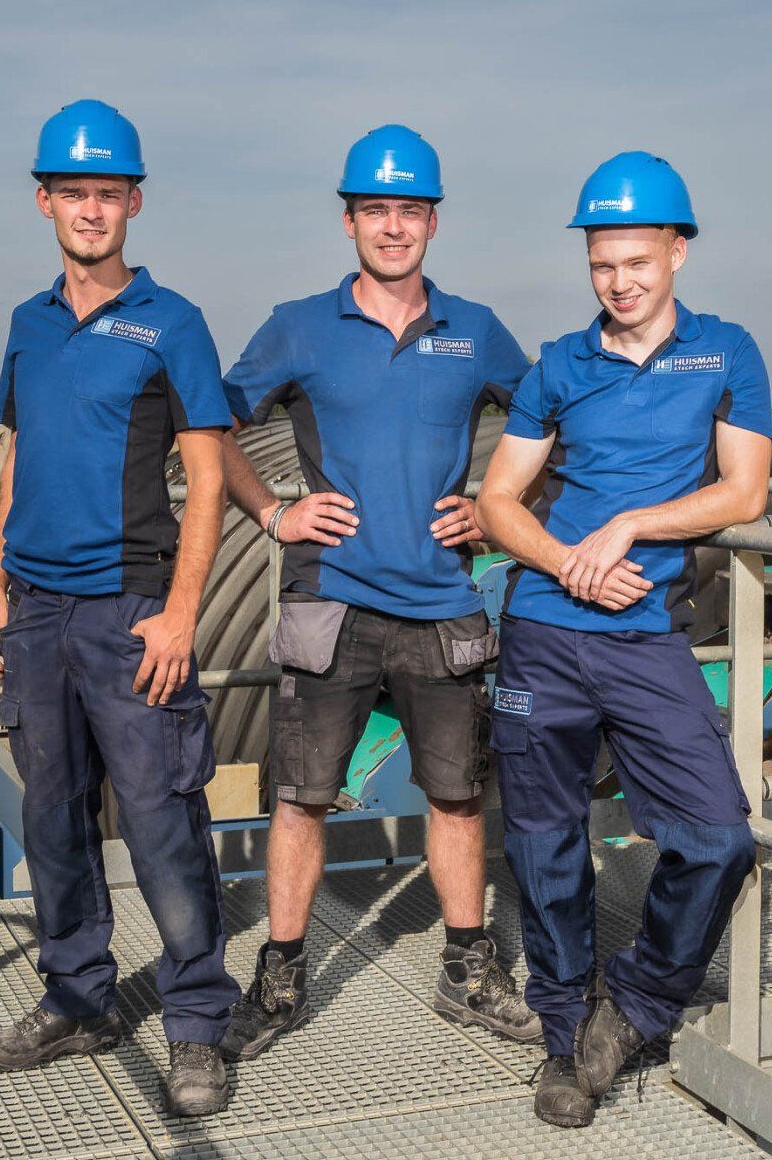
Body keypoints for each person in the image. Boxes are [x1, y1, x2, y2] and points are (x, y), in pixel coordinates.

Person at [216, 125, 540, 1059]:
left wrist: (494, 508)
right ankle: (280, 978)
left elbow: (548, 426)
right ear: (349, 219)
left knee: (456, 796)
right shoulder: (299, 326)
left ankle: (468, 970)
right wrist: (273, 515)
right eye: (374, 211)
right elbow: (213, 424)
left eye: (409, 210)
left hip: (443, 605)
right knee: (302, 797)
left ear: (432, 221)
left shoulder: (477, 331)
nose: (392, 227)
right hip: (332, 604)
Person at [473, 152, 772, 1128]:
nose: (620, 280)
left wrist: (632, 524)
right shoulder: (558, 365)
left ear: (679, 250)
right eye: (603, 263)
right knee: (547, 845)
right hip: (544, 630)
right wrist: (569, 563)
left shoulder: (726, 353)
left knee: (717, 836)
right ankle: (565, 1040)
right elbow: (498, 502)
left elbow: (744, 491)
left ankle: (635, 1002)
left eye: (638, 259)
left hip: (645, 634)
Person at [0, 99, 240, 1118]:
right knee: (51, 816)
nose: (91, 208)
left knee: (164, 820)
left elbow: (209, 480)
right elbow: (15, 456)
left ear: (135, 200)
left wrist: (179, 616)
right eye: (72, 191)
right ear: (45, 201)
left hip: (130, 609)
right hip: (36, 611)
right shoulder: (26, 325)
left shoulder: (174, 324)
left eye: (108, 192)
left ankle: (198, 1023)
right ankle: (78, 997)